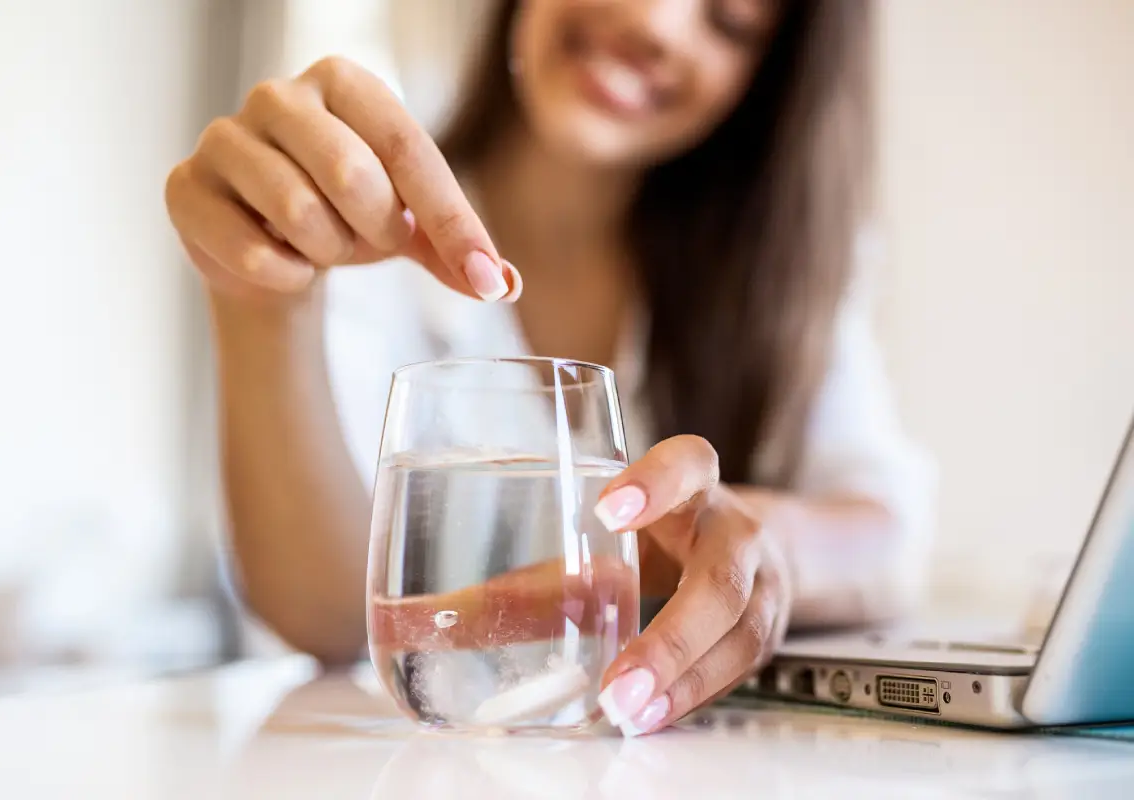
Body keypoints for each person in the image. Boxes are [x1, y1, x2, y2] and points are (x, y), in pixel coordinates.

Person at [164, 0, 934, 736]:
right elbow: (328, 617)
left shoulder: (779, 271)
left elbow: (893, 539)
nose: (654, 22)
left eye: (731, 18)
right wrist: (260, 299)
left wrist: (763, 548)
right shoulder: (355, 214)